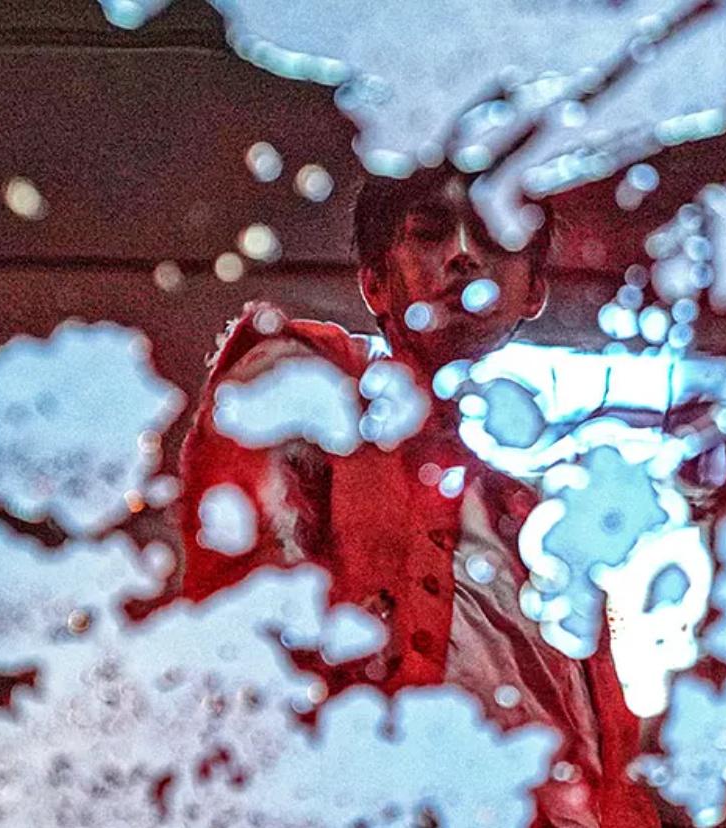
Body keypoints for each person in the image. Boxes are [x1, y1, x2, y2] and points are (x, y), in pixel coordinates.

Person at [175, 169, 660, 826]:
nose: (464, 254)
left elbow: (606, 763)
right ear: (375, 283)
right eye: (431, 232)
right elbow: (243, 616)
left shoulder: (541, 515)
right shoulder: (316, 393)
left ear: (535, 290)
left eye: (497, 235)